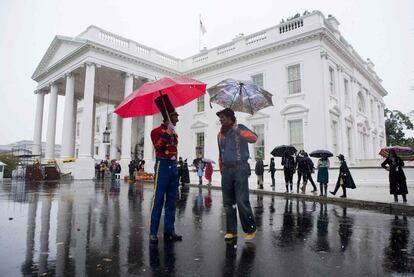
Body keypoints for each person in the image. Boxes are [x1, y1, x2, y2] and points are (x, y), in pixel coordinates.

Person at [217, 108, 257, 241]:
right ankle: (231, 231)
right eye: (220, 117)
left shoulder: (239, 128)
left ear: (230, 117)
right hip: (226, 170)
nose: (220, 119)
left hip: (240, 168)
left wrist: (237, 130)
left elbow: (254, 138)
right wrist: (221, 168)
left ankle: (250, 229)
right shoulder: (220, 135)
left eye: (222, 117)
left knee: (241, 200)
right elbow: (221, 152)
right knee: (228, 202)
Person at [149, 94, 182, 244]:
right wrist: (167, 133)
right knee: (158, 200)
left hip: (173, 167)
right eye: (176, 116)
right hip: (162, 166)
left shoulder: (174, 132)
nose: (177, 119)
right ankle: (153, 232)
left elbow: (175, 150)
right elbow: (158, 147)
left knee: (171, 201)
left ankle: (169, 231)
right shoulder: (156, 131)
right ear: (169, 117)